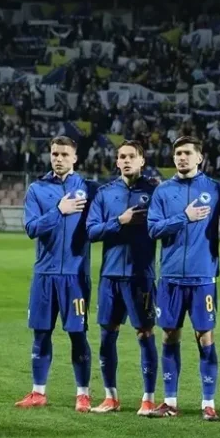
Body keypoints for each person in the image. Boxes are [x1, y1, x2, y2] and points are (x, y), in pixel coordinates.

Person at [146, 136, 220, 421]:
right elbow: (153, 230)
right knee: (169, 334)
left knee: (205, 336)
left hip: (203, 276)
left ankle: (208, 403)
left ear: (199, 158)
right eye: (178, 153)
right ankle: (170, 401)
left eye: (187, 153)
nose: (181, 157)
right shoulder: (163, 191)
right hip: (170, 276)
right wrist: (184, 216)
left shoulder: (215, 189)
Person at [15, 136, 98, 411]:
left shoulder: (89, 188)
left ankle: (83, 394)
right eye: (54, 154)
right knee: (41, 333)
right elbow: (31, 228)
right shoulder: (37, 189)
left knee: (78, 334)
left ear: (75, 158)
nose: (59, 158)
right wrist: (59, 211)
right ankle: (38, 392)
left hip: (76, 275)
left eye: (64, 154)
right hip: (45, 274)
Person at [85, 141, 158, 415]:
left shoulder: (155, 192)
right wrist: (120, 221)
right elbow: (91, 231)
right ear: (117, 162)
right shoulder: (105, 193)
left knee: (145, 333)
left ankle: (148, 399)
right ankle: (110, 397)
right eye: (122, 157)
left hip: (141, 276)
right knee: (107, 335)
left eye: (131, 156)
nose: (126, 161)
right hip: (110, 276)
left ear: (142, 160)